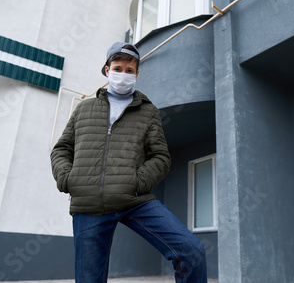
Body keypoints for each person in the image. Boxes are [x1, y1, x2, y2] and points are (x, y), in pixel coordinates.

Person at [51, 42, 207, 283]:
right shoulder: (84, 109)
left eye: (129, 70)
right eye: (117, 68)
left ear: (137, 74)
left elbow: (161, 156)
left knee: (191, 251)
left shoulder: (148, 111)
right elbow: (62, 149)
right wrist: (67, 179)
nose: (122, 75)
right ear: (106, 70)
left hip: (135, 200)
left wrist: (137, 182)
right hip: (88, 204)